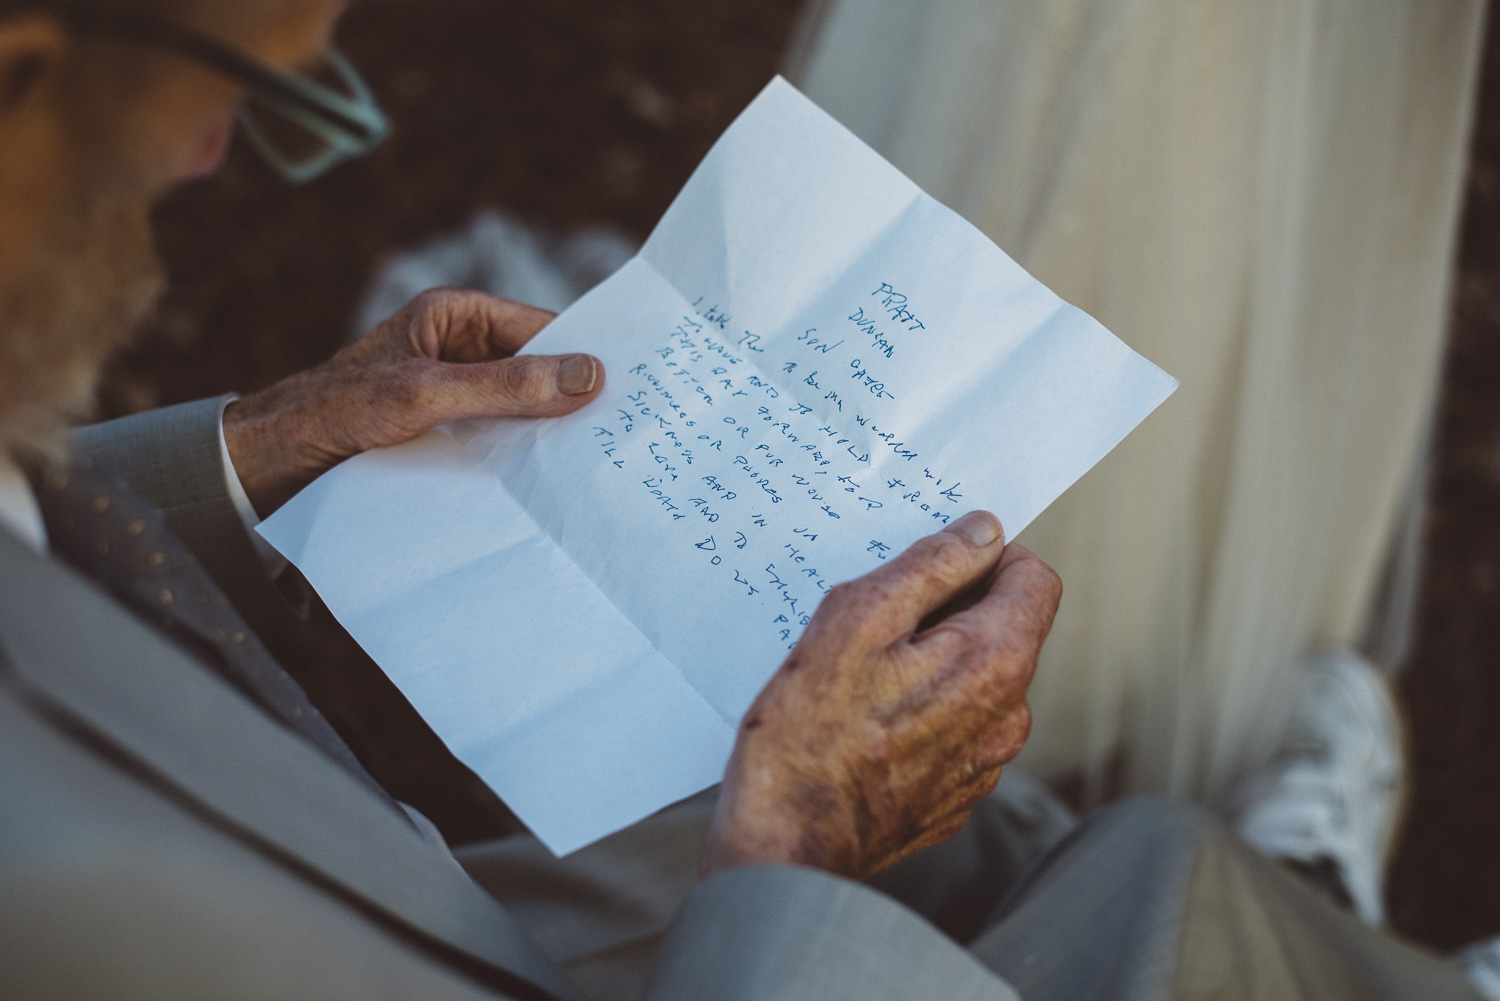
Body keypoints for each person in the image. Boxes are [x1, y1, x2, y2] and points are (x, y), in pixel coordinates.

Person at [0, 2, 1485, 999]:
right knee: (1161, 893)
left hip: (378, 838)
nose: (209, 158)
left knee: (963, 823)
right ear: (23, 65)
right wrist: (781, 884)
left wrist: (248, 453)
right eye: (253, 94)